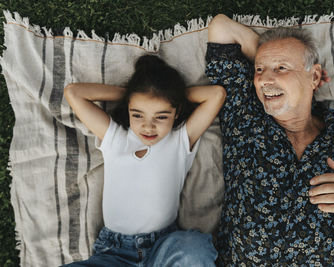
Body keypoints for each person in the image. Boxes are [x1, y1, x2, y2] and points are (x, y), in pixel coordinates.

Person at [206, 14, 334, 266]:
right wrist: (272, 61)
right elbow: (221, 27)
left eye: (281, 68)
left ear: (316, 77)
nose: (264, 79)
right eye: (259, 69)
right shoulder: (245, 115)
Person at [62, 55, 225, 266]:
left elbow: (216, 94)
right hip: (115, 253)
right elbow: (73, 93)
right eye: (138, 115)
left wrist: (170, 94)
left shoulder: (180, 141)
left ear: (176, 114)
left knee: (194, 249)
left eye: (161, 116)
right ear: (128, 109)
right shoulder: (115, 138)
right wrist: (130, 94)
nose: (148, 126)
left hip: (162, 247)